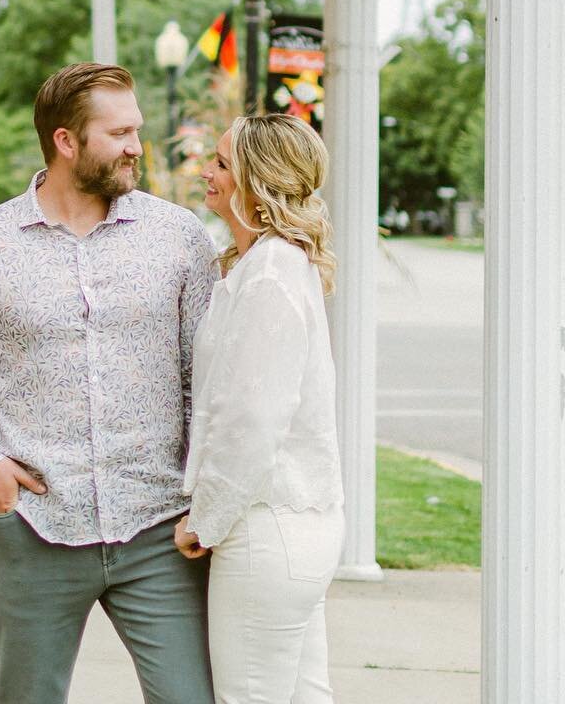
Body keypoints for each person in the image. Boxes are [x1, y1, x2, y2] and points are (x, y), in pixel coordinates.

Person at [0, 61, 220, 704]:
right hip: (35, 527)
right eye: (119, 132)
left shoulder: (179, 237)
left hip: (160, 529)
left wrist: (204, 494)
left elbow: (204, 380)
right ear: (65, 141)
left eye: (137, 130)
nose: (137, 146)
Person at [174, 113, 345, 704]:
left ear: (257, 181)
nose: (208, 172)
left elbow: (252, 421)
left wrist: (206, 521)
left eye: (222, 163)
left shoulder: (271, 274)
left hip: (266, 530)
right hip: (293, 526)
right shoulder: (266, 265)